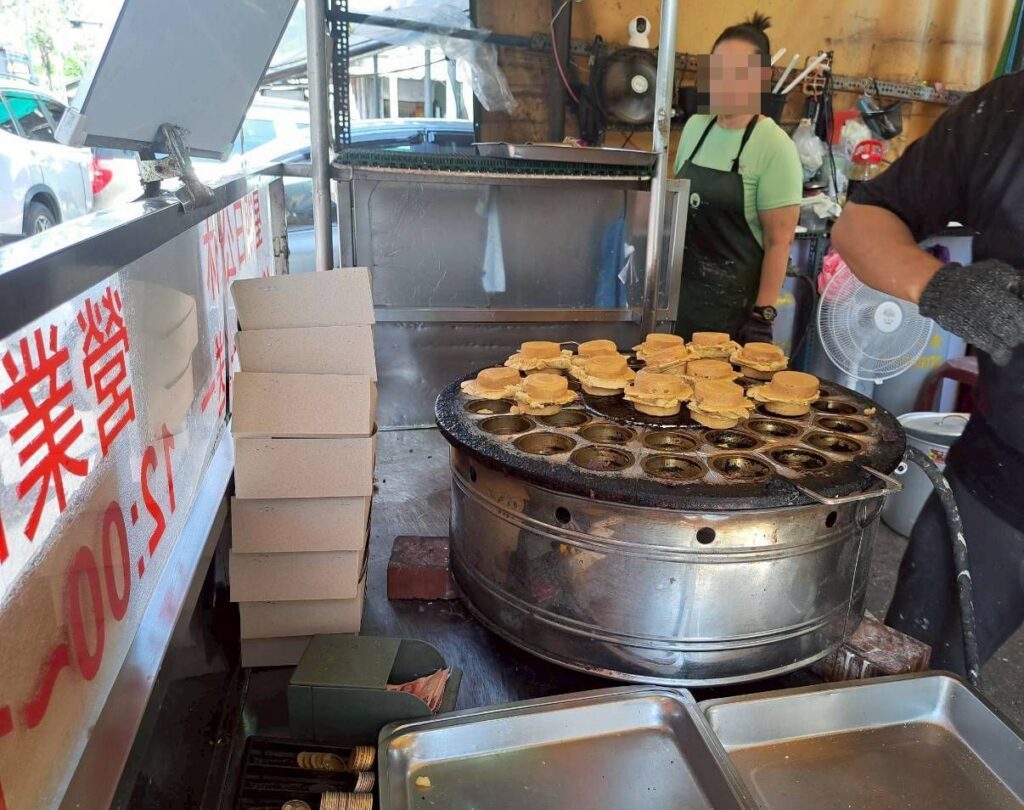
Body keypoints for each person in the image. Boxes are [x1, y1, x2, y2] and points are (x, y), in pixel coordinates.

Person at [832, 72, 1024, 674]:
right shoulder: (1005, 115)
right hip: (1000, 481)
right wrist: (941, 286)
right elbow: (861, 221)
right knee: (910, 680)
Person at [673, 13, 803, 343]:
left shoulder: (774, 146)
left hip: (734, 319)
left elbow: (779, 241)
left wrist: (763, 315)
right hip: (679, 305)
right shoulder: (694, 128)